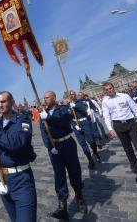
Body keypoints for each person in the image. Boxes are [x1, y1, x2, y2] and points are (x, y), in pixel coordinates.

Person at [0, 91, 37, 222]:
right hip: (4, 179)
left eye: (4, 101)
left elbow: (16, 144)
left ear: (12, 102)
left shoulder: (22, 121)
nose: (1, 105)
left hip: (22, 179)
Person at [40, 91, 87, 220]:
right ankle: (62, 205)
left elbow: (64, 122)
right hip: (55, 148)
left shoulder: (63, 109)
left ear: (54, 98)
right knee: (59, 175)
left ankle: (79, 196)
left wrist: (49, 118)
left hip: (67, 143)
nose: (45, 99)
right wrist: (49, 146)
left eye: (48, 97)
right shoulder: (43, 113)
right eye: (44, 98)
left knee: (74, 171)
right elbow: (43, 131)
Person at [69, 90, 101, 169]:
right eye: (70, 95)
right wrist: (74, 125)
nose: (72, 96)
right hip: (77, 125)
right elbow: (69, 117)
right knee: (82, 143)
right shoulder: (68, 105)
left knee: (90, 140)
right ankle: (90, 160)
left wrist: (76, 106)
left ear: (75, 95)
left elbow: (85, 109)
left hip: (85, 122)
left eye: (73, 94)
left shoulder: (81, 101)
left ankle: (95, 152)